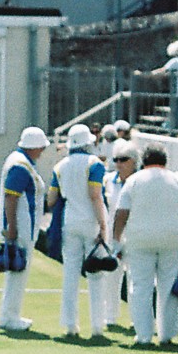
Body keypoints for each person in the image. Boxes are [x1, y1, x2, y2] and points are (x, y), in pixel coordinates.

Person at [112, 144, 178, 347]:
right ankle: (167, 334)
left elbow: (121, 214)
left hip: (140, 239)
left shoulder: (133, 181)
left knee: (140, 287)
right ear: (165, 161)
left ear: (144, 161)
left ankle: (143, 334)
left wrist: (116, 241)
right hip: (173, 239)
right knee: (168, 288)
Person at [46, 123, 108, 336]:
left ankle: (70, 325)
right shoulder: (95, 164)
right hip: (90, 221)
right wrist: (103, 225)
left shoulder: (60, 166)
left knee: (70, 274)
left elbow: (52, 199)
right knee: (96, 275)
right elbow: (95, 196)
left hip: (69, 221)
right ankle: (97, 326)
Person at [0, 126, 50, 333]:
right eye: (41, 147)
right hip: (20, 226)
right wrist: (12, 227)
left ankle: (10, 315)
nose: (43, 151)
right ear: (34, 147)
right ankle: (9, 317)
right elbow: (12, 197)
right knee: (17, 271)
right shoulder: (20, 166)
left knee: (17, 272)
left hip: (23, 225)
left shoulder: (22, 162)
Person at [95, 141, 140, 331]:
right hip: (113, 236)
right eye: (116, 160)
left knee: (136, 280)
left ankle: (137, 318)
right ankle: (110, 317)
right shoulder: (108, 181)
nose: (119, 164)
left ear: (134, 161)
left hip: (136, 236)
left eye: (123, 160)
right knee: (111, 278)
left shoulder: (140, 182)